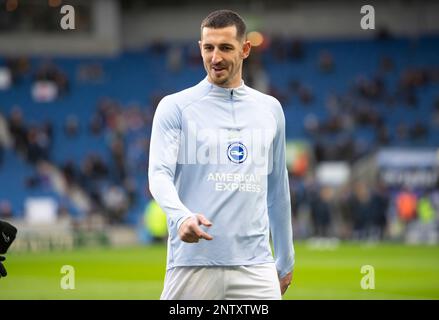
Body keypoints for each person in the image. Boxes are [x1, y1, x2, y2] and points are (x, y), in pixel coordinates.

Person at [148, 9, 294, 300]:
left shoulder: (270, 110)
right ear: (199, 48)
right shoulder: (175, 107)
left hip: (256, 266)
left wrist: (285, 259)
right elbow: (158, 174)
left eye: (226, 48)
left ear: (245, 49)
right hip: (192, 263)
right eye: (208, 48)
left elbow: (277, 189)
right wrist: (181, 218)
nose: (215, 58)